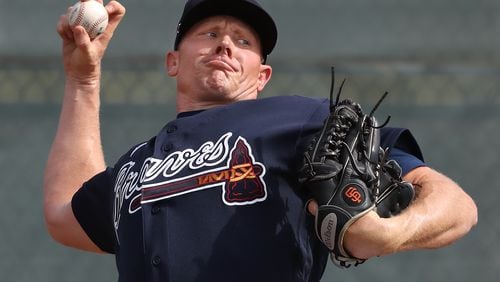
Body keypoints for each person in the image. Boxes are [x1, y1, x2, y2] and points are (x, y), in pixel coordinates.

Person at [45, 0, 477, 281]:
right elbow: (66, 215)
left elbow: (457, 206)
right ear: (173, 61)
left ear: (262, 76)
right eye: (209, 34)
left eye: (243, 41)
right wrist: (83, 81)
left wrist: (390, 233)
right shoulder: (136, 165)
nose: (225, 46)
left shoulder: (302, 119)